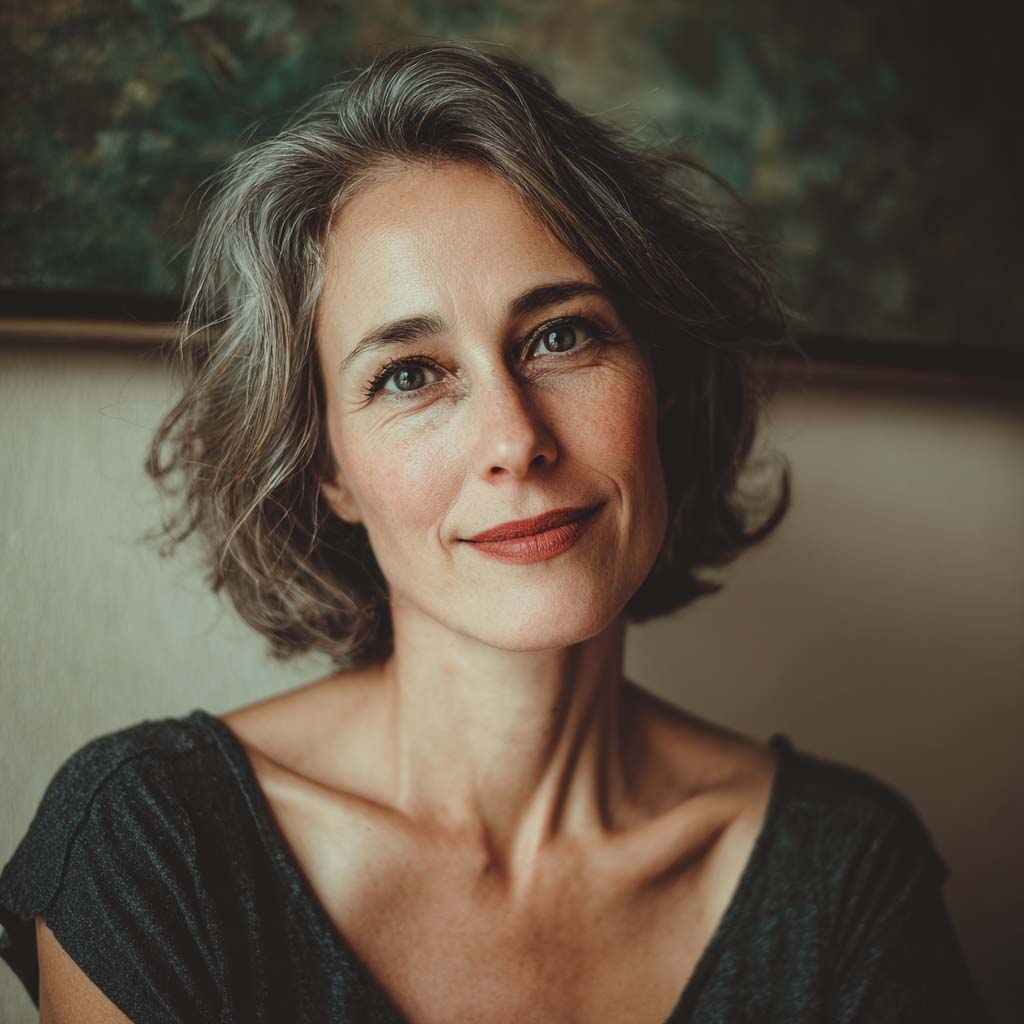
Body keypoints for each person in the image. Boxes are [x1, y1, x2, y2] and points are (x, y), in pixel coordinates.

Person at [0, 42, 991, 1024]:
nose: (514, 440)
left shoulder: (842, 873)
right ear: (328, 468)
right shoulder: (156, 843)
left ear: (663, 384)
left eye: (562, 335)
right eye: (409, 374)